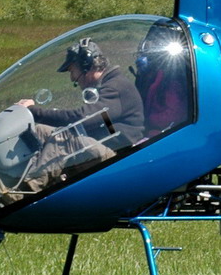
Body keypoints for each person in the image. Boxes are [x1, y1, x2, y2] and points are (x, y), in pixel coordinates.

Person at [10, 38, 144, 190]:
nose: (72, 78)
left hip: (121, 158)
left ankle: (24, 191)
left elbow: (82, 118)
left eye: (72, 71)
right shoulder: (106, 85)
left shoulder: (116, 86)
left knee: (64, 137)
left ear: (87, 65)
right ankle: (9, 179)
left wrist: (34, 111)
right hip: (107, 147)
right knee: (41, 130)